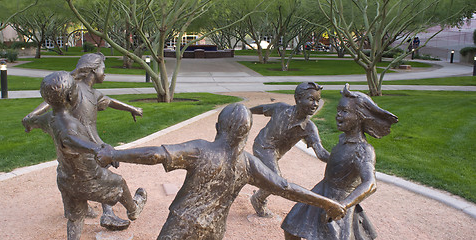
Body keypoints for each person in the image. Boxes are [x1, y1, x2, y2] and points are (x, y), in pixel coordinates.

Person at [97, 103, 346, 240]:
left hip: (182, 225)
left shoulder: (200, 149)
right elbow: (286, 188)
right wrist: (326, 202)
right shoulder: (249, 164)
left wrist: (114, 154)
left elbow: (155, 154)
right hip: (214, 231)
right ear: (247, 133)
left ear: (218, 126)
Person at [23, 53, 142, 230]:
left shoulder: (93, 93)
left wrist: (131, 108)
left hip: (87, 139)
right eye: (103, 68)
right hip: (82, 138)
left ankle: (80, 208)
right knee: (100, 175)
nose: (105, 73)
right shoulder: (75, 89)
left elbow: (110, 102)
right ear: (93, 70)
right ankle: (109, 213)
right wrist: (33, 114)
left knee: (79, 171)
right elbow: (51, 100)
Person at [282, 84, 398, 240]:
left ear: (359, 117)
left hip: (339, 200)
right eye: (338, 110)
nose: (338, 115)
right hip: (322, 192)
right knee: (291, 226)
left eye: (345, 112)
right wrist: (311, 139)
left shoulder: (363, 150)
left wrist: (344, 204)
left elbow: (370, 183)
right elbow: (329, 158)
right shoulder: (343, 140)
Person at [250, 82, 330, 217]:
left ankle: (260, 187)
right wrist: (247, 111)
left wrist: (339, 159)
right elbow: (263, 108)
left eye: (318, 100)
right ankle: (258, 199)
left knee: (270, 178)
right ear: (298, 99)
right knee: (277, 181)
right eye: (311, 99)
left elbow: (321, 152)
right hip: (263, 145)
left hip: (275, 153)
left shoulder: (309, 128)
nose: (315, 104)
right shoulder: (280, 108)